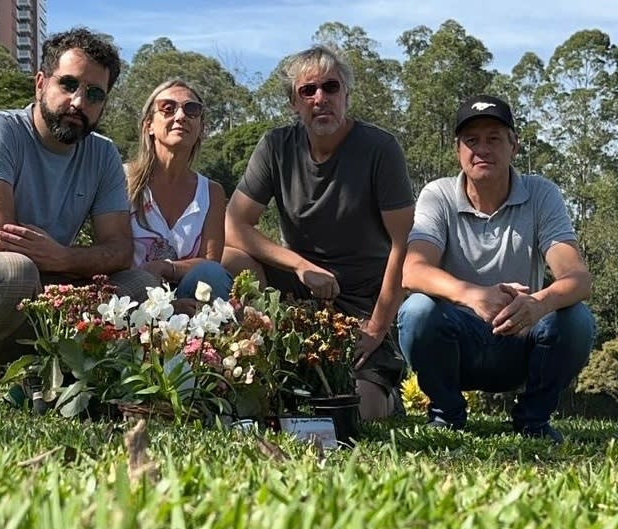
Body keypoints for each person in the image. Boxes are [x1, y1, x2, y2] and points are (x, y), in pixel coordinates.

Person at [0, 27, 160, 406]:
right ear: (40, 83)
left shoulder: (102, 155)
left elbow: (121, 250)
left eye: (94, 94)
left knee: (138, 285)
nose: (78, 101)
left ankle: (42, 384)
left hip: (36, 294)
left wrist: (66, 258)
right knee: (12, 270)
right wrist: (71, 262)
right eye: (68, 84)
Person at [222, 46, 415, 420]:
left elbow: (403, 245)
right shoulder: (276, 147)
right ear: (294, 102)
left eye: (331, 87)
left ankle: (388, 397)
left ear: (347, 95)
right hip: (301, 294)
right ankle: (263, 351)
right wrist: (298, 265)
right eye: (307, 91)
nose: (320, 98)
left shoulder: (379, 148)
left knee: (363, 411)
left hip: (363, 302)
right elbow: (234, 225)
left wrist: (376, 327)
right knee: (230, 259)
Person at [397, 94, 595, 443]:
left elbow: (578, 279)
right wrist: (472, 295)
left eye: (494, 138)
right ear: (457, 149)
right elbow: (413, 271)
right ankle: (447, 418)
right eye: (471, 140)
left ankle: (533, 420)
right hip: (459, 345)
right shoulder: (438, 195)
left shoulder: (540, 194)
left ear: (514, 145)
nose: (482, 149)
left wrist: (540, 304)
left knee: (577, 319)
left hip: (520, 338)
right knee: (416, 311)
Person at [124, 79, 232, 309]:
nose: (181, 116)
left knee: (213, 274)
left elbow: (210, 262)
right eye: (168, 108)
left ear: (201, 128)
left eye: (192, 110)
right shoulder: (121, 180)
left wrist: (167, 267)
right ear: (148, 125)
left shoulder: (211, 192)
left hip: (189, 298)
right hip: (129, 298)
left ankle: (207, 341)